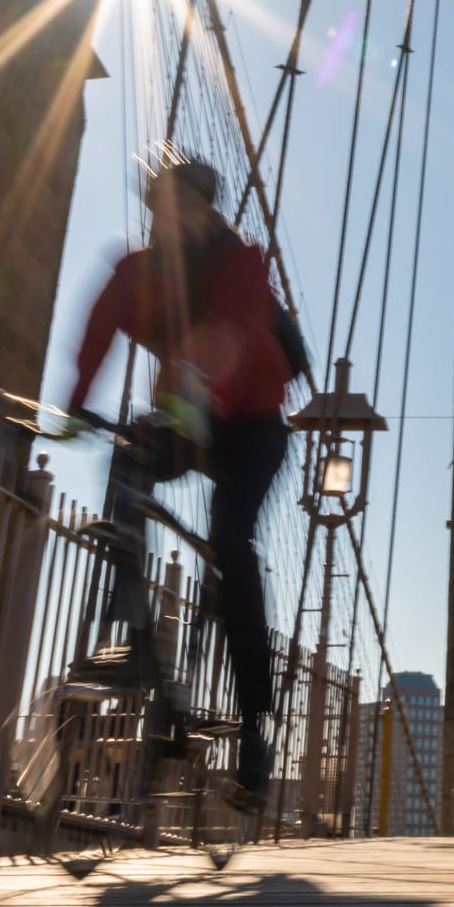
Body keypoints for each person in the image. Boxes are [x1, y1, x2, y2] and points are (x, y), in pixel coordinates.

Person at [66, 155, 298, 801]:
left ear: (206, 210)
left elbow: (232, 333)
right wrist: (74, 404)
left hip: (251, 424)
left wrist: (190, 398)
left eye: (181, 210)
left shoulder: (241, 261)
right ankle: (133, 635)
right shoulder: (136, 269)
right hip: (185, 413)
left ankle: (254, 724)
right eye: (158, 211)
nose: (168, 223)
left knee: (231, 540)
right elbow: (98, 326)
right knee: (127, 467)